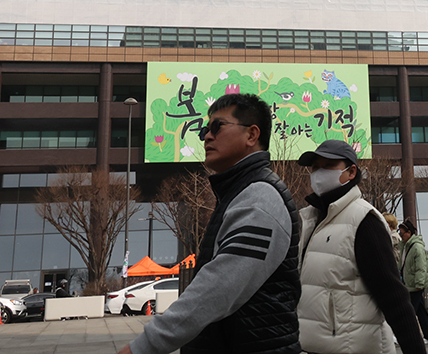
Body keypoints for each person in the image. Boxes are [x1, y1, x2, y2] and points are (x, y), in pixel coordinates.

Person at [119, 93, 301, 354]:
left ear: (252, 135)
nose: (207, 136)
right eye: (205, 130)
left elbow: (218, 288)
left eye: (217, 126)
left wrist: (142, 347)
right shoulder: (239, 192)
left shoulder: (260, 197)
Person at [296, 140, 427, 354]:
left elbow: (393, 297)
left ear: (351, 172)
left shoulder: (364, 221)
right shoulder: (311, 219)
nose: (319, 173)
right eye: (315, 167)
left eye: (328, 166)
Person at [398, 220, 428, 345]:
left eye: (402, 233)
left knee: (409, 312)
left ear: (409, 233)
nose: (400, 236)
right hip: (411, 283)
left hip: (415, 285)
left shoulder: (416, 247)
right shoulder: (406, 246)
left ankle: (402, 335)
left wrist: (419, 283)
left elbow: (421, 267)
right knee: (420, 311)